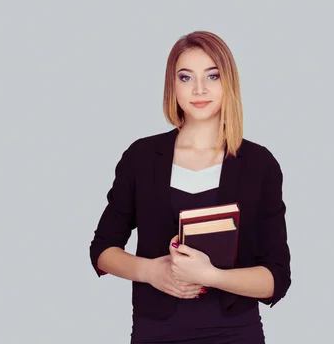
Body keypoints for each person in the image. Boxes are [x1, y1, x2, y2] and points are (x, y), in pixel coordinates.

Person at [89, 30, 292, 343]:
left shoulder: (259, 164)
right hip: (155, 331)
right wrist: (151, 272)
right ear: (173, 86)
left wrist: (210, 276)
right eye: (186, 78)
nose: (199, 89)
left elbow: (276, 277)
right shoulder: (142, 157)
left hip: (234, 332)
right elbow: (102, 249)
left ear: (229, 83)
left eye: (212, 76)